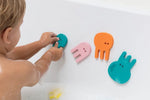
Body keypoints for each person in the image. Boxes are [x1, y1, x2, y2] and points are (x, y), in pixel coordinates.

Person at [0, 0, 63, 100]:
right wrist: (50, 54)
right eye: (20, 26)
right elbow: (37, 71)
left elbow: (10, 55)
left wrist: (40, 44)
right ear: (7, 35)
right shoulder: (20, 70)